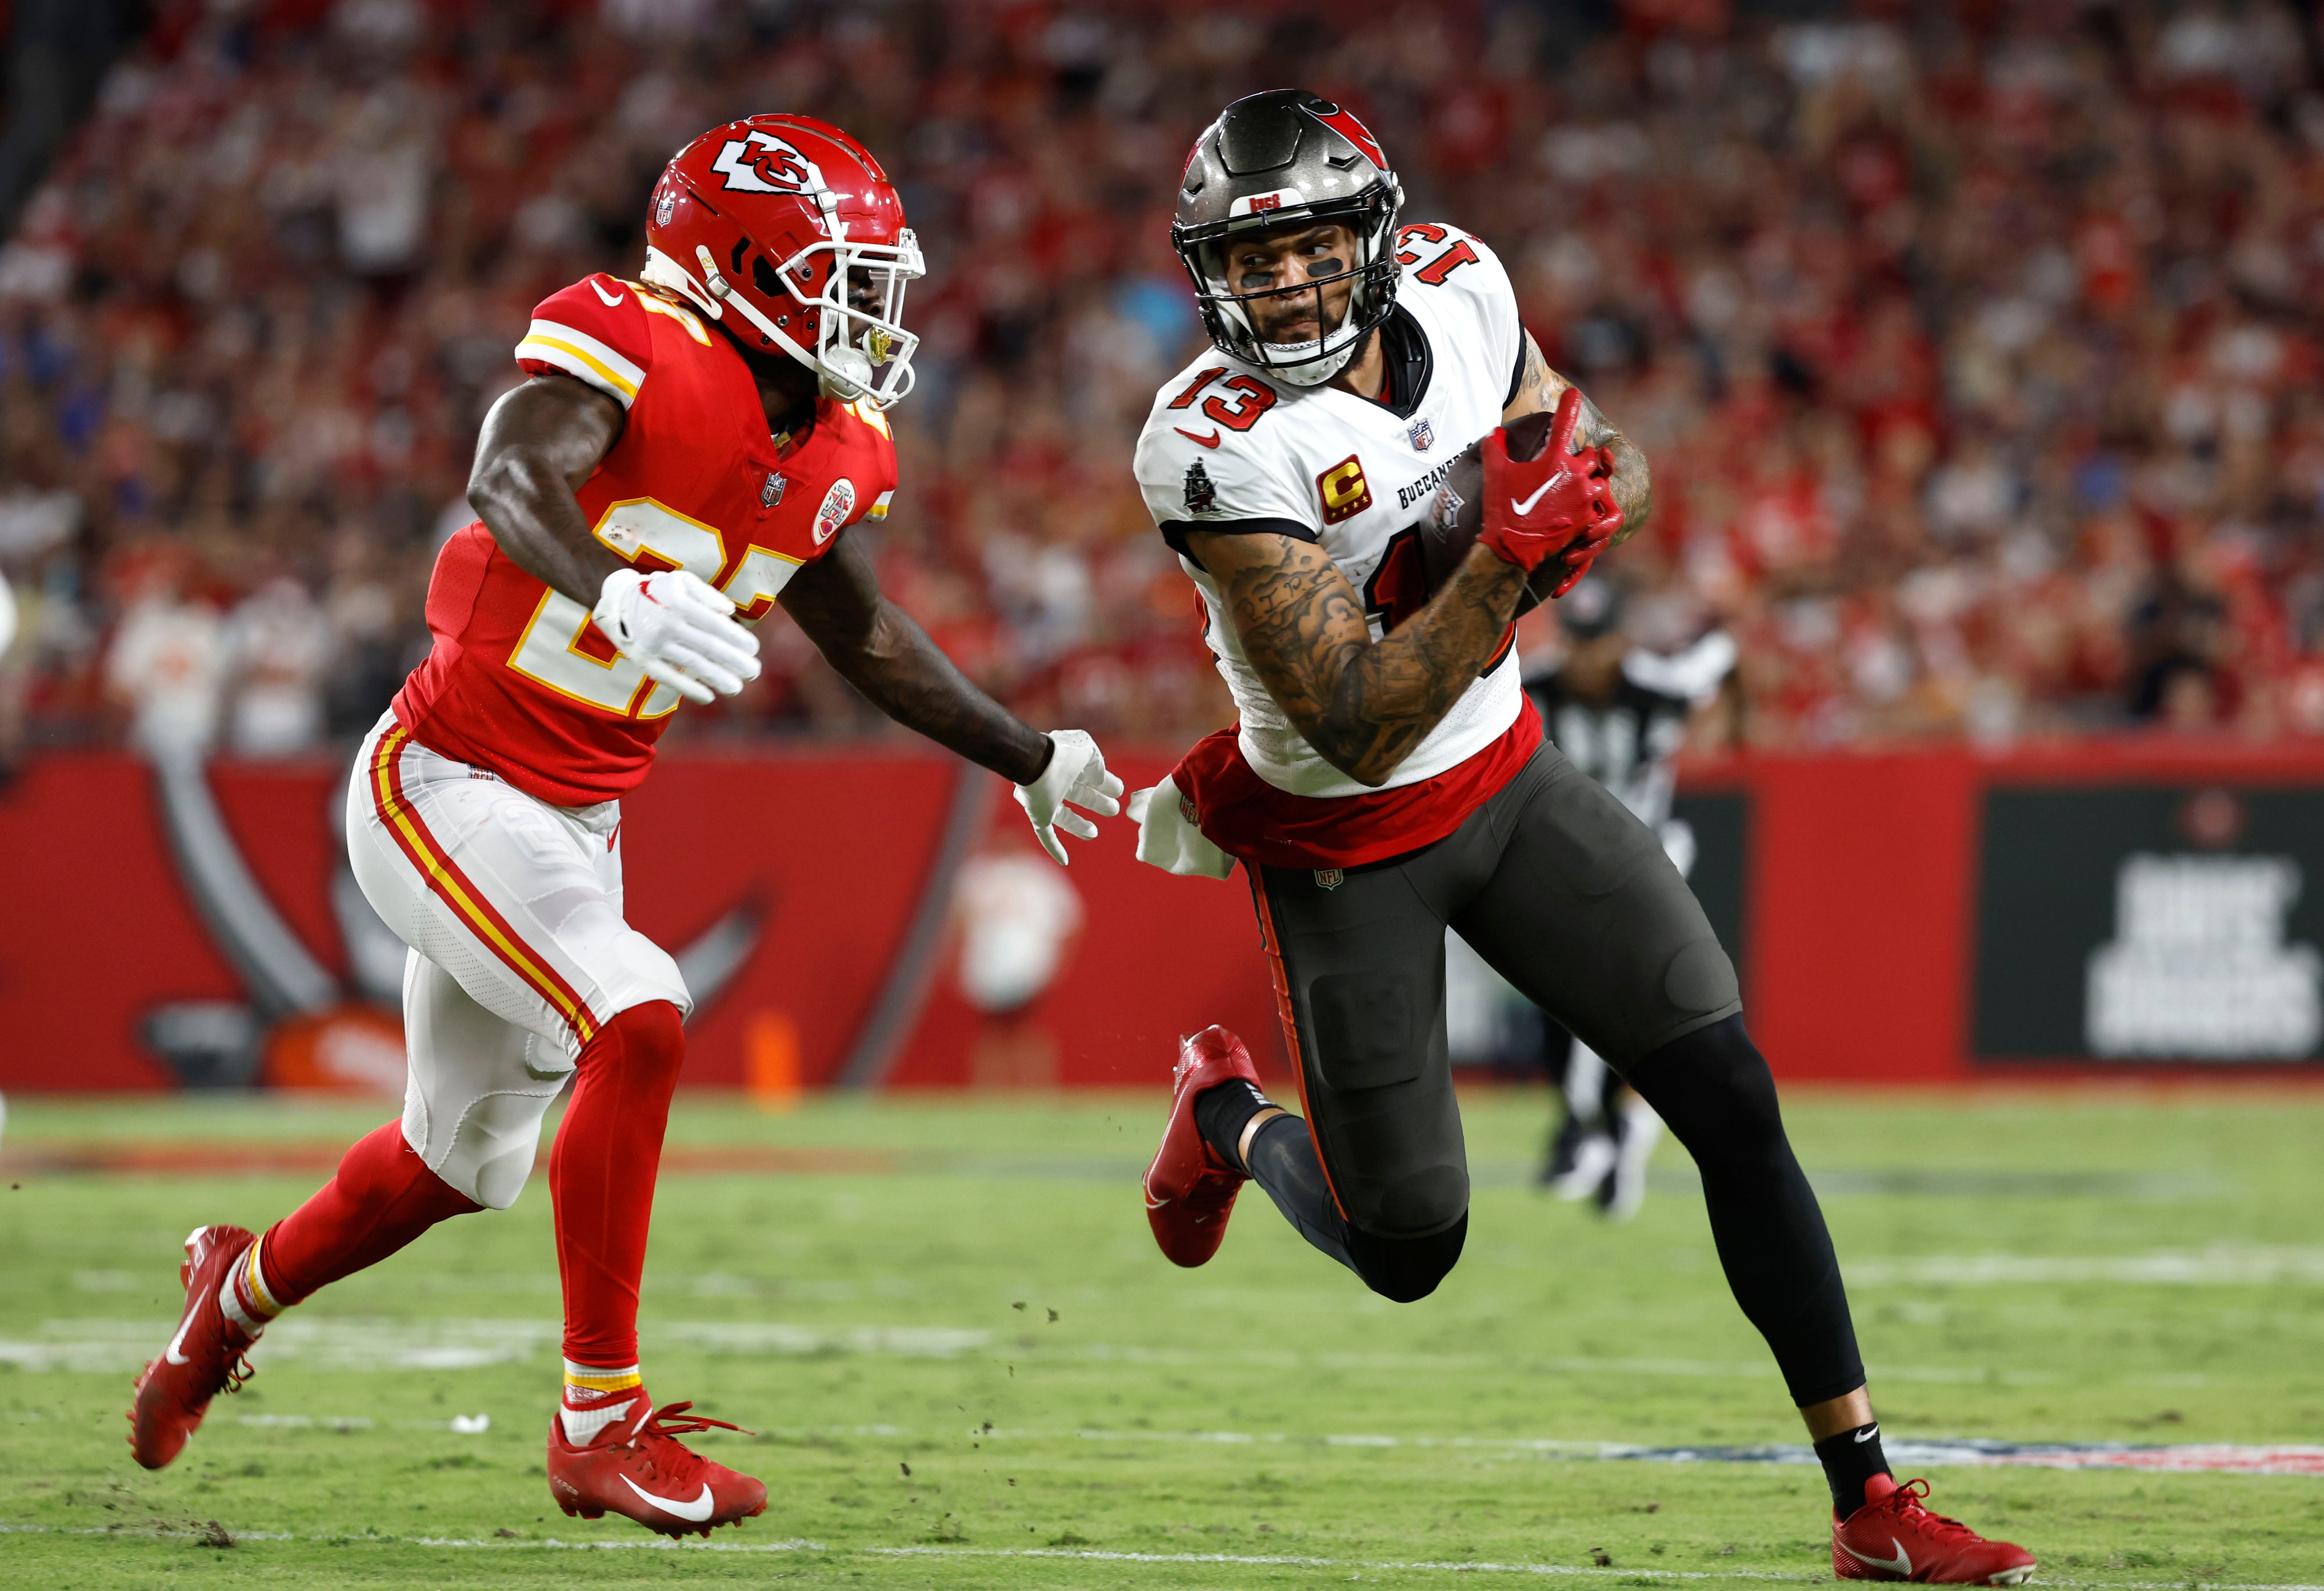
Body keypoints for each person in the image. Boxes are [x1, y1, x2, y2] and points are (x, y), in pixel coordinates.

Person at [128, 115, 1122, 1539]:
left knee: (455, 1163)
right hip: (443, 781)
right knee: (640, 1003)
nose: (872, 312)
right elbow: (510, 476)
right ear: (740, 266)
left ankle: (226, 1299)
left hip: (572, 820)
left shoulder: (834, 438)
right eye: (840, 275)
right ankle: (599, 1420)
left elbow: (863, 629)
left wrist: (1026, 751)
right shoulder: (638, 341)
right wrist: (613, 586)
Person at [1127, 90, 2032, 1584]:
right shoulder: (1208, 443)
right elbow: (1356, 717)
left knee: (1730, 1090)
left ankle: (1868, 1498)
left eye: (1303, 246)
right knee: (1410, 1247)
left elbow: (1596, 454)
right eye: (1248, 257)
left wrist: (1588, 488)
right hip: (1345, 833)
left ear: (1372, 234)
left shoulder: (1460, 283)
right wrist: (1513, 554)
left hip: (1509, 775)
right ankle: (1227, 1118)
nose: (1281, 281)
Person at [1525, 576, 1735, 1221]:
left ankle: (1592, 1129)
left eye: (1597, 643)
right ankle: (1604, 1128)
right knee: (1573, 1008)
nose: (1585, 659)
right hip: (1569, 869)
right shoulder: (1533, 681)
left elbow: (1722, 651)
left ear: (1620, 639)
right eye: (1576, 643)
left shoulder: (1660, 683)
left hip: (1650, 863)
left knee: (1629, 1007)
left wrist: (1734, 714)